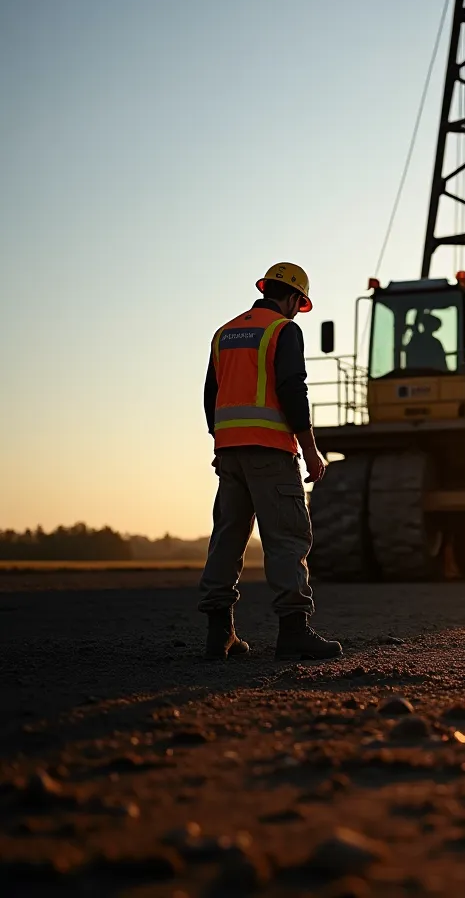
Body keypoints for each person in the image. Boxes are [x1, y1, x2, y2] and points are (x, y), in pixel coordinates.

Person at [199, 262, 342, 661]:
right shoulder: (283, 330)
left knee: (227, 538)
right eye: (300, 303)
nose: (298, 311)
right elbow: (292, 390)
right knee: (287, 538)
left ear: (266, 288)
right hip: (271, 452)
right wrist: (310, 449)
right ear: (295, 298)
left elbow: (211, 394)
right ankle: (294, 631)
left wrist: (221, 443)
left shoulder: (224, 333)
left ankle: (220, 634)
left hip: (229, 453)